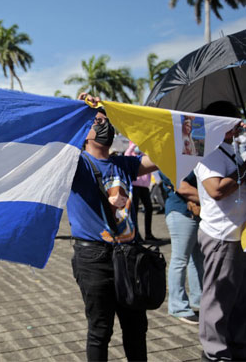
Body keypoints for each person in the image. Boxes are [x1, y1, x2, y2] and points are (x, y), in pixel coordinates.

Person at [68, 93, 158, 361]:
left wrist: (126, 119)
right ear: (85, 130)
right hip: (94, 259)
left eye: (108, 120)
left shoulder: (124, 164)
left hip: (129, 256)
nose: (105, 124)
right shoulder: (77, 164)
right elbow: (59, 146)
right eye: (98, 121)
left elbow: (159, 154)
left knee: (136, 328)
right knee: (100, 330)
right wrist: (79, 109)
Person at [193, 101, 246, 362]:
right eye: (235, 120)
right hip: (220, 235)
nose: (240, 124)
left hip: (238, 233)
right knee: (217, 298)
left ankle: (236, 345)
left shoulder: (231, 149)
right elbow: (216, 189)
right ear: (220, 123)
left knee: (237, 296)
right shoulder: (205, 150)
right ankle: (215, 353)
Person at [159, 170, 203, 325]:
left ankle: (198, 299)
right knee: (180, 259)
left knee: (196, 258)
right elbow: (181, 186)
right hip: (181, 210)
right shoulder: (171, 156)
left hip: (193, 212)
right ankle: (178, 306)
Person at [125, 141, 158, 241]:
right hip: (134, 186)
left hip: (144, 187)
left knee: (149, 208)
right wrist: (134, 145)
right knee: (134, 211)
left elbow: (151, 160)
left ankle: (148, 234)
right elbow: (126, 154)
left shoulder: (144, 155)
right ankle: (136, 234)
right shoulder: (131, 156)